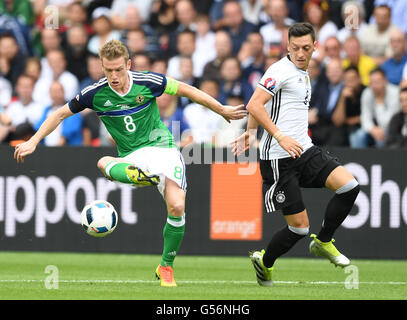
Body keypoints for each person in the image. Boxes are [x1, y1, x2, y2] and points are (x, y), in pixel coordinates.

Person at [13, 39, 246, 287]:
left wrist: (220, 108)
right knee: (102, 161)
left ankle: (165, 266)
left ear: (128, 65)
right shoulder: (94, 93)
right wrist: (34, 141)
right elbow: (59, 113)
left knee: (177, 206)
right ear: (102, 67)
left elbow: (186, 90)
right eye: (108, 70)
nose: (113, 76)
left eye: (118, 69)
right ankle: (137, 175)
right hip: (131, 156)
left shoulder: (148, 82)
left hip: (163, 148)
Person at [232, 22, 360, 286]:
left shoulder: (304, 72)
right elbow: (255, 103)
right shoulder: (280, 70)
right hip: (278, 157)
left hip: (303, 149)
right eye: (294, 48)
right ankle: (265, 262)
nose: (300, 53)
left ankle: (324, 241)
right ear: (286, 46)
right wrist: (273, 135)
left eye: (305, 48)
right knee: (299, 228)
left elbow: (261, 106)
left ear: (315, 47)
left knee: (349, 186)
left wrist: (252, 130)